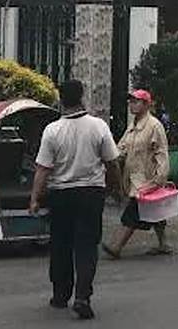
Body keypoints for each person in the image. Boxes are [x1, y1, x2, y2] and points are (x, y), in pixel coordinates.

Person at [29, 79, 121, 320]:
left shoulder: (52, 130)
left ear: (61, 100)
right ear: (82, 97)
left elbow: (42, 169)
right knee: (87, 246)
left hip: (60, 194)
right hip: (91, 194)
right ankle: (82, 297)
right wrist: (116, 188)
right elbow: (112, 163)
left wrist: (35, 198)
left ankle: (61, 295)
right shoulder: (98, 127)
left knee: (60, 245)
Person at [102, 89, 171, 258]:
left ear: (146, 105)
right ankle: (163, 244)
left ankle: (117, 247)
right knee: (155, 212)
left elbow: (161, 153)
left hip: (147, 179)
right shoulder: (132, 127)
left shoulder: (154, 126)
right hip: (133, 176)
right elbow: (121, 149)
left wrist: (159, 178)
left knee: (133, 212)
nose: (132, 105)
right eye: (131, 101)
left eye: (136, 101)